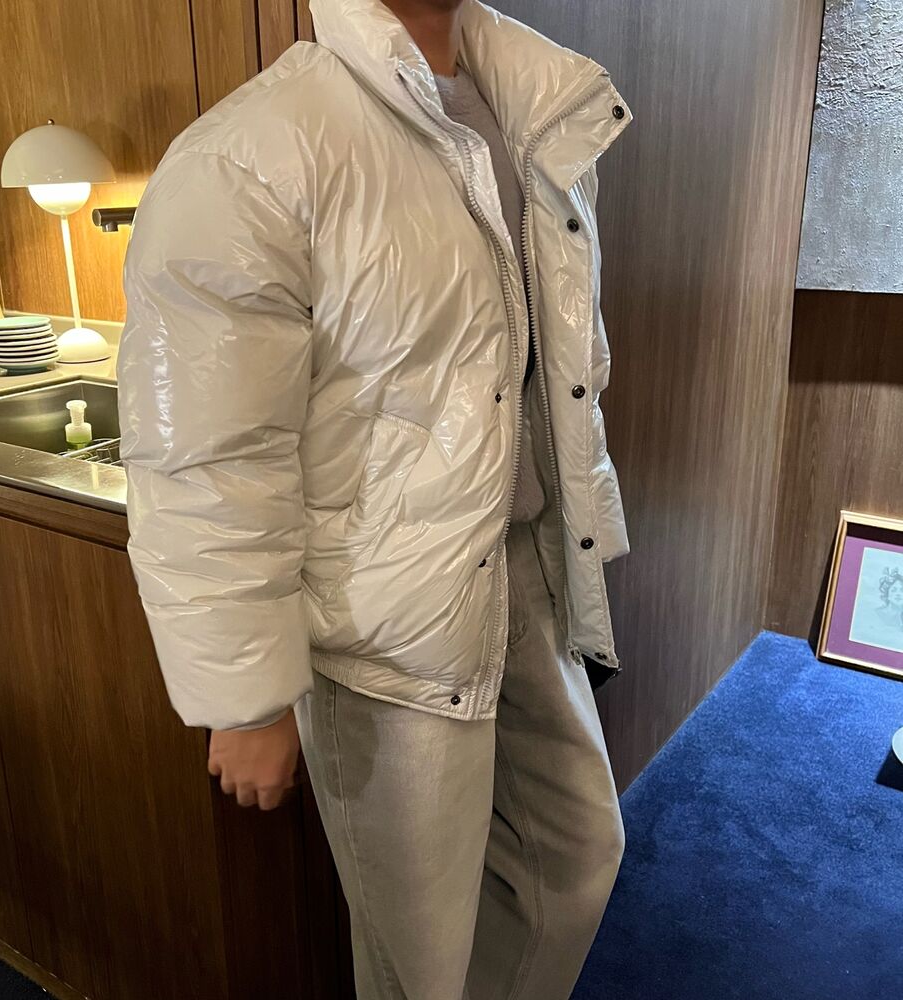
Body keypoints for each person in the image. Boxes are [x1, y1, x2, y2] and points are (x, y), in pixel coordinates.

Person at [118, 0, 633, 995]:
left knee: (573, 860)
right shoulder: (253, 152)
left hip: (526, 570)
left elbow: (569, 361)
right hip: (382, 624)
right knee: (418, 959)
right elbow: (209, 455)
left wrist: (586, 529)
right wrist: (248, 699)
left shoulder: (534, 102)